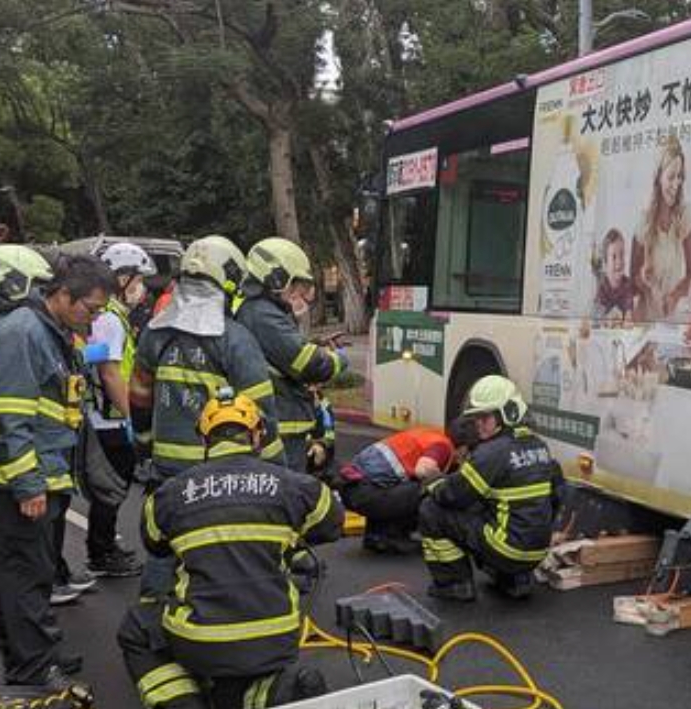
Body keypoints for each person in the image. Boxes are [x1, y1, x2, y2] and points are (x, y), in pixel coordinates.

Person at [116, 389, 341, 709]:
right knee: (241, 675)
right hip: (275, 637)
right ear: (256, 435)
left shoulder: (170, 495)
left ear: (205, 440)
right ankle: (273, 696)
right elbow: (331, 524)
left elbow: (155, 543)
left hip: (200, 642)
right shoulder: (294, 486)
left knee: (138, 626)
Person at [0, 252, 116, 687]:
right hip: (22, 477)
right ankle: (31, 667)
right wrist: (28, 485)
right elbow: (10, 415)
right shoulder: (25, 334)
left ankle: (18, 641)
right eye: (92, 308)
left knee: (26, 567)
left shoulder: (47, 330)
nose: (95, 318)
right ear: (63, 295)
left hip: (40, 469)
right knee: (28, 571)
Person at [129, 236, 279, 597]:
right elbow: (264, 417)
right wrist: (277, 475)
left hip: (166, 468)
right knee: (217, 545)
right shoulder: (235, 340)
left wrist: (147, 449)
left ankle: (152, 620)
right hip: (218, 468)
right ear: (229, 283)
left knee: (167, 544)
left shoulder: (155, 333)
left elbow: (139, 398)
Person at [418, 376, 562, 602]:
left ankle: (454, 584)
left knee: (431, 510)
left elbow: (454, 495)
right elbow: (557, 495)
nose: (478, 425)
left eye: (485, 418)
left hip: (506, 549)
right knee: (495, 509)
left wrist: (433, 482)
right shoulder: (540, 446)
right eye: (476, 419)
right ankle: (515, 579)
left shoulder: (492, 452)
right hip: (537, 551)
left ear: (508, 413)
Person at [77, 241, 157, 579]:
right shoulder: (110, 319)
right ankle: (102, 552)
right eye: (137, 279)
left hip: (104, 415)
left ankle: (104, 547)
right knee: (110, 489)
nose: (141, 287)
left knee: (111, 488)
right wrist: (131, 415)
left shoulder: (111, 316)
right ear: (122, 278)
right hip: (110, 419)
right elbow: (110, 372)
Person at [235, 238, 347, 472]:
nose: (301, 294)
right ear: (276, 278)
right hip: (281, 425)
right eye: (297, 285)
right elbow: (308, 365)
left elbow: (282, 353)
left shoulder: (260, 311)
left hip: (282, 422)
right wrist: (339, 359)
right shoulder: (263, 315)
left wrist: (315, 344)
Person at [334, 420, 467, 554]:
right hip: (366, 493)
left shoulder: (427, 434)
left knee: (398, 484)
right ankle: (392, 536)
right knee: (430, 488)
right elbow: (423, 470)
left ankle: (376, 536)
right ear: (463, 448)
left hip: (351, 488)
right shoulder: (443, 446)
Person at [631, 136, 691, 320]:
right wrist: (646, 283)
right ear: (658, 177)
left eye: (680, 176)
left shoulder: (684, 215)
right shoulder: (644, 220)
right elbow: (633, 280)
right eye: (671, 177)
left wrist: (675, 296)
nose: (677, 184)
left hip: (673, 316)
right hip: (646, 318)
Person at [591, 228, 636, 321]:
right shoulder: (602, 286)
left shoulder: (627, 285)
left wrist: (627, 317)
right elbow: (596, 317)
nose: (619, 261)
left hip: (622, 332)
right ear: (605, 262)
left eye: (622, 255)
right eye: (614, 257)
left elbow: (629, 315)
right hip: (605, 332)